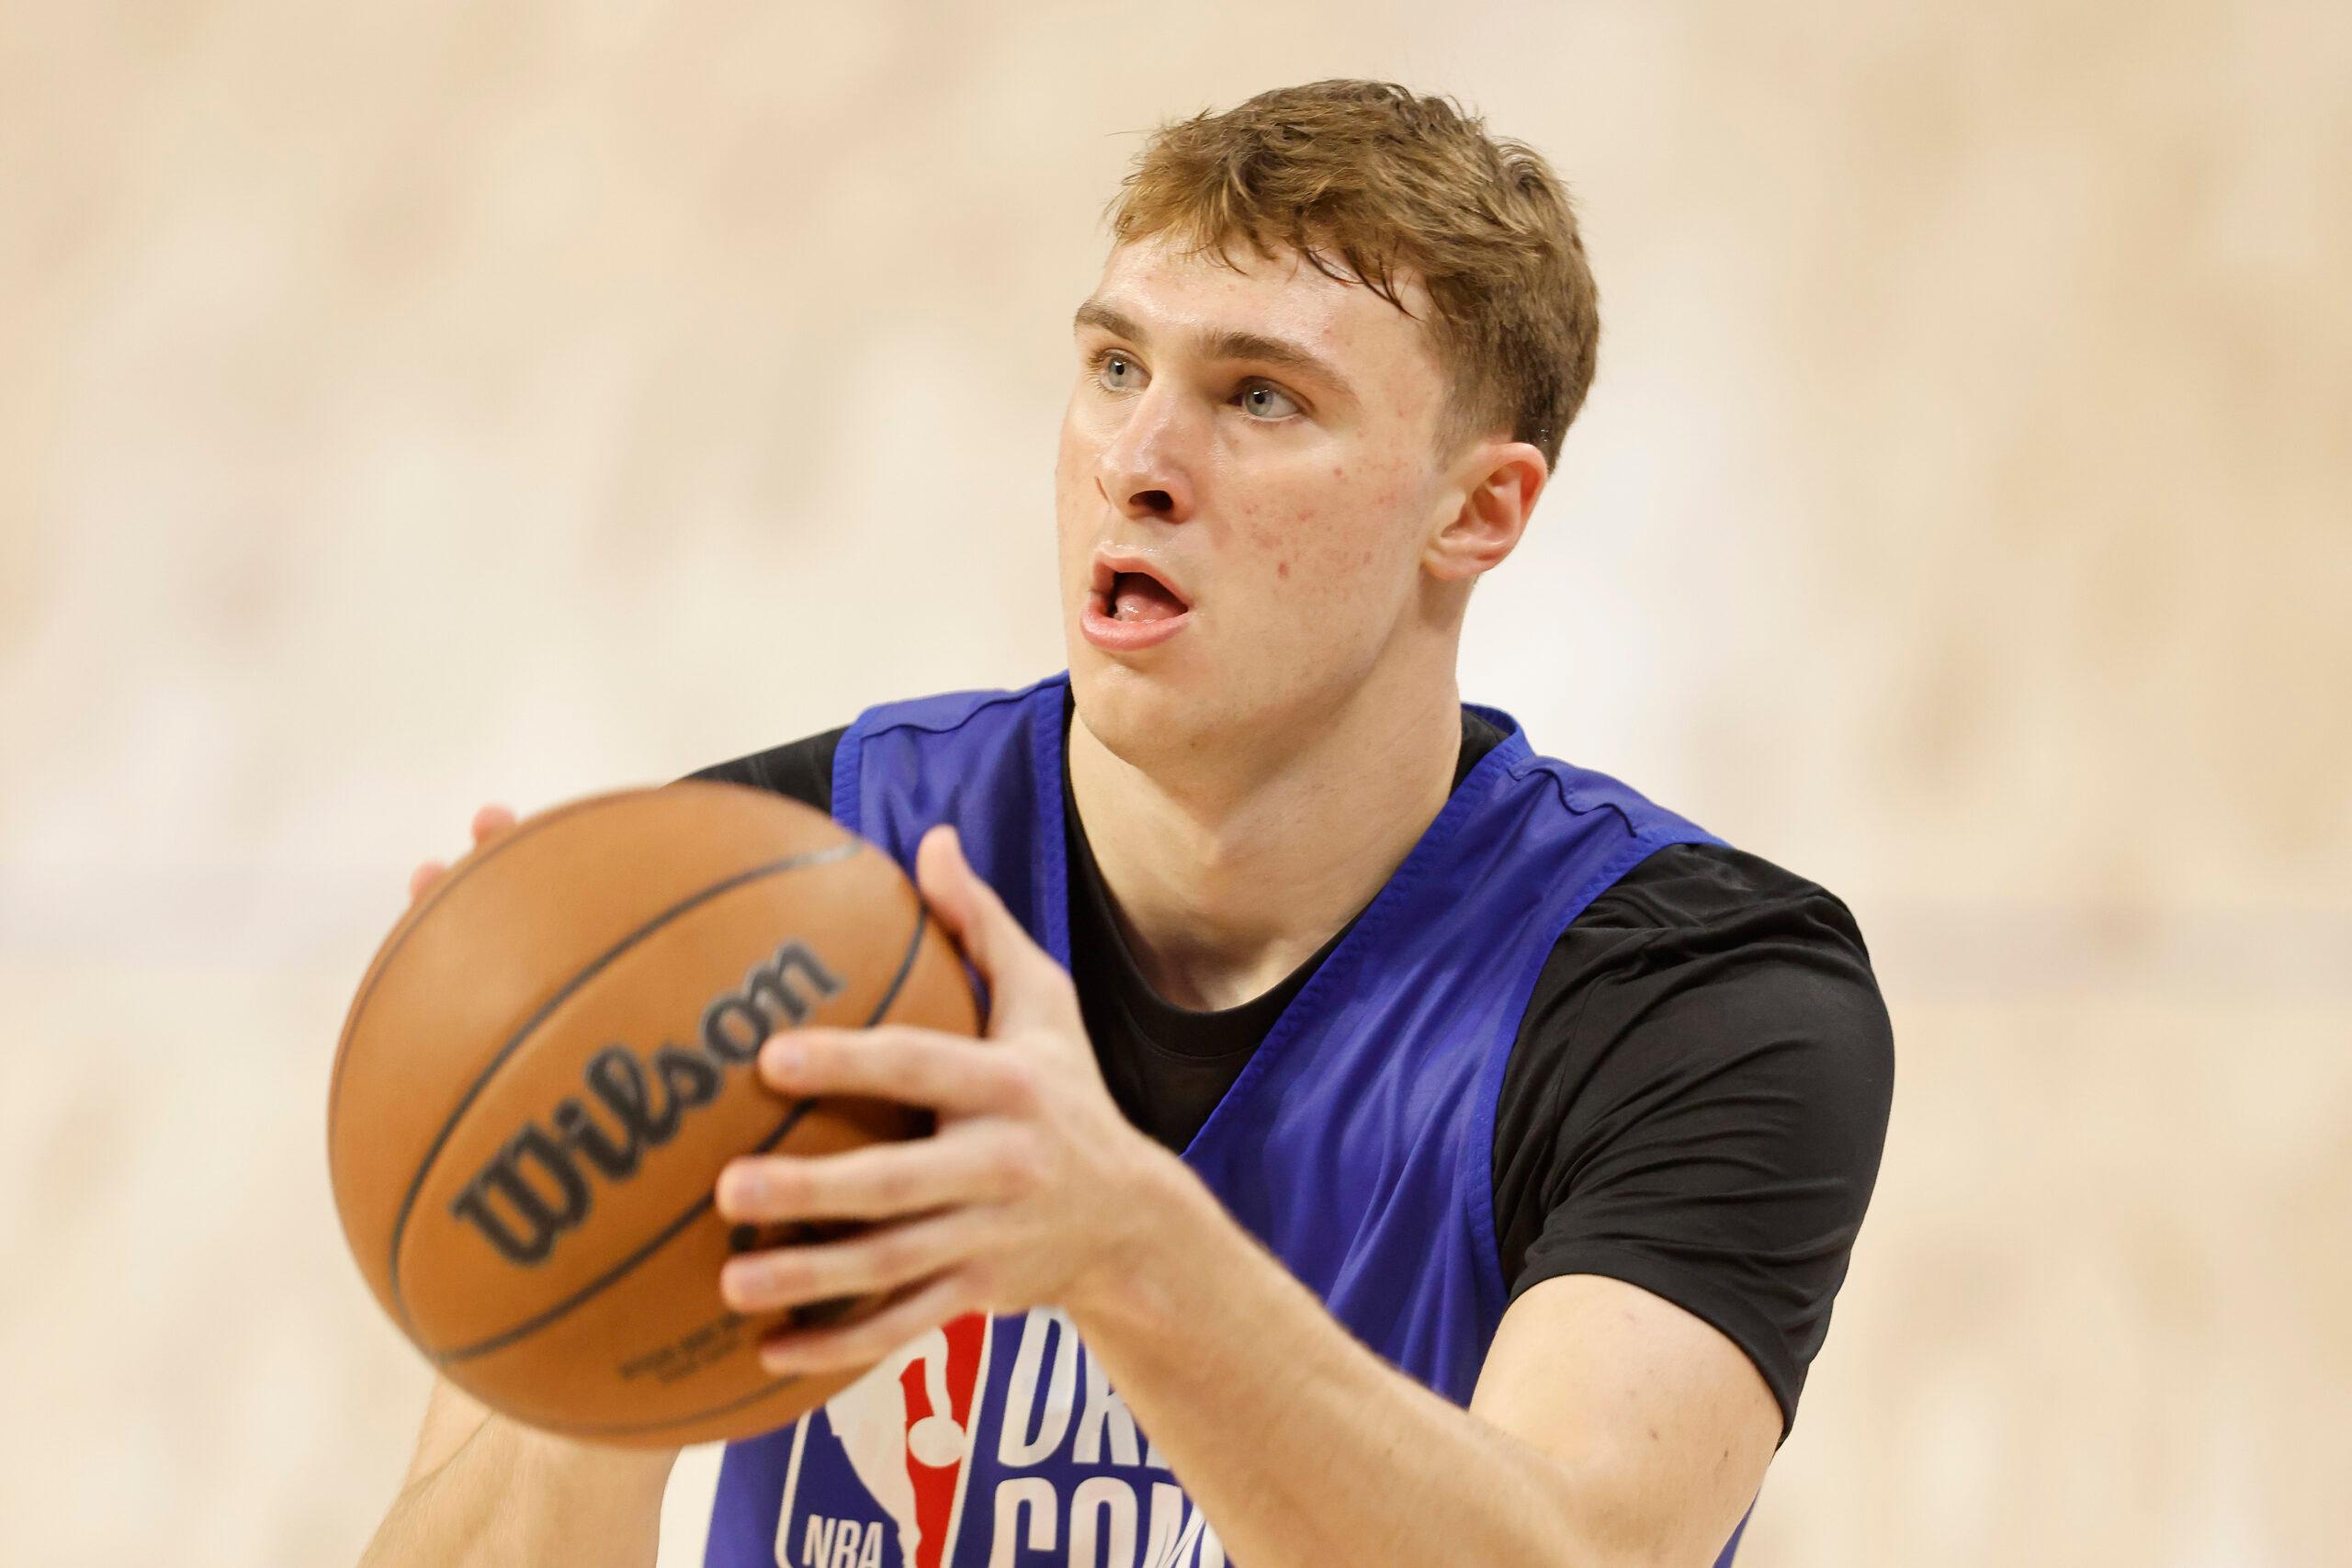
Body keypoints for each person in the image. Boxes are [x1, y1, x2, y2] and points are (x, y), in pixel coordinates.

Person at [362, 79, 1894, 1568]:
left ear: (1478, 509)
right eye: (1113, 367)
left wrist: (1126, 1251)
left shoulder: (1689, 1003)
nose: (1138, 464)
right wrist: (602, 1314)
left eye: (1260, 397)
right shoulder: (762, 884)